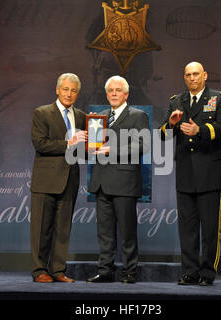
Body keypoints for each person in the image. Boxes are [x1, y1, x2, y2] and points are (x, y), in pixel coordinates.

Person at [159, 62, 221, 286]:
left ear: (205, 75)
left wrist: (200, 130)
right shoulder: (176, 101)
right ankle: (190, 272)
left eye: (196, 74)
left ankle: (207, 274)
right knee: (187, 229)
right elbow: (162, 135)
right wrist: (170, 125)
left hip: (212, 172)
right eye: (188, 75)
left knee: (210, 229)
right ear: (184, 77)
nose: (192, 78)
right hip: (186, 172)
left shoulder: (219, 98)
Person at [86, 75, 150, 284]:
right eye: (110, 90)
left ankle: (129, 271)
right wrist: (89, 143)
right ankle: (105, 271)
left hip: (125, 182)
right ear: (106, 94)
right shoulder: (99, 117)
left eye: (117, 90)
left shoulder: (138, 115)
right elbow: (93, 149)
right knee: (104, 233)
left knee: (127, 232)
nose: (113, 93)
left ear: (126, 94)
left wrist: (111, 149)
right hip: (102, 181)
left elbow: (144, 145)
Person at [30, 73, 87, 283]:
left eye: (73, 90)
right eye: (65, 89)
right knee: (41, 229)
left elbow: (82, 149)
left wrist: (98, 150)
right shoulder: (42, 113)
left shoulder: (81, 116)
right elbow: (40, 144)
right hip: (45, 180)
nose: (69, 94)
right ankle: (39, 270)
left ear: (77, 93)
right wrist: (69, 143)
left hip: (69, 180)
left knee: (63, 229)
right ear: (57, 90)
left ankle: (58, 270)